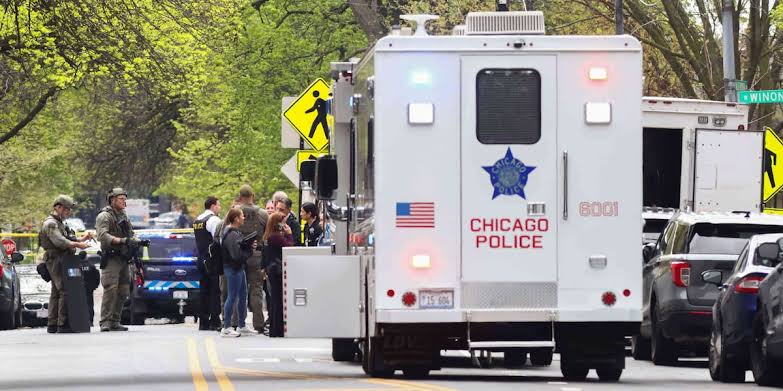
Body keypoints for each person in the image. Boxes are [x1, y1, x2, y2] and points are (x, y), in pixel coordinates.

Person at [39, 195, 92, 333]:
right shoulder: (51, 223)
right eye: (67, 209)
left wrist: (83, 238)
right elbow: (60, 242)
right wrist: (78, 244)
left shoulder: (60, 222)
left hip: (62, 258)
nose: (69, 212)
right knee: (63, 289)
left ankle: (53, 323)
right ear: (58, 207)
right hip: (55, 259)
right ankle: (62, 323)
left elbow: (67, 238)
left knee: (56, 291)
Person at [95, 187, 139, 332]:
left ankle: (115, 320)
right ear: (113, 200)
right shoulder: (105, 216)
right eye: (121, 199)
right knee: (110, 289)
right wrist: (121, 241)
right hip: (112, 257)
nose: (124, 201)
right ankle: (105, 322)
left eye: (125, 199)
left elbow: (131, 233)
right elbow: (102, 236)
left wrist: (135, 241)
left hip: (124, 258)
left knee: (124, 290)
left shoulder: (124, 215)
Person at [220, 208, 255, 337]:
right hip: (233, 268)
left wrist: (247, 245)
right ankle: (226, 327)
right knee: (232, 296)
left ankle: (242, 325)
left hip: (237, 268)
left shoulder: (233, 232)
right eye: (242, 216)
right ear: (236, 219)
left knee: (243, 296)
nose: (243, 218)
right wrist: (249, 250)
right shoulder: (231, 234)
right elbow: (236, 255)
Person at [237, 184, 268, 333]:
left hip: (238, 256)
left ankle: (236, 322)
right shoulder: (262, 213)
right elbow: (268, 235)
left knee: (237, 290)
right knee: (256, 290)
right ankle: (258, 323)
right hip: (256, 255)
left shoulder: (235, 213)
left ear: (240, 197)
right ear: (252, 196)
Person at [261, 212, 293, 337]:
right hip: (277, 270)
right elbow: (289, 247)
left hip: (271, 269)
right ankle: (277, 329)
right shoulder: (276, 237)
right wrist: (289, 235)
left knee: (275, 298)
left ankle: (275, 328)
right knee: (278, 299)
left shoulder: (268, 236)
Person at [193, 196, 222, 331]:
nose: (220, 208)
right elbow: (219, 238)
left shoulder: (198, 220)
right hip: (212, 259)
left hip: (200, 258)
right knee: (215, 290)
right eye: (219, 205)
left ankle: (203, 321)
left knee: (203, 291)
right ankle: (215, 320)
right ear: (213, 206)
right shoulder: (213, 220)